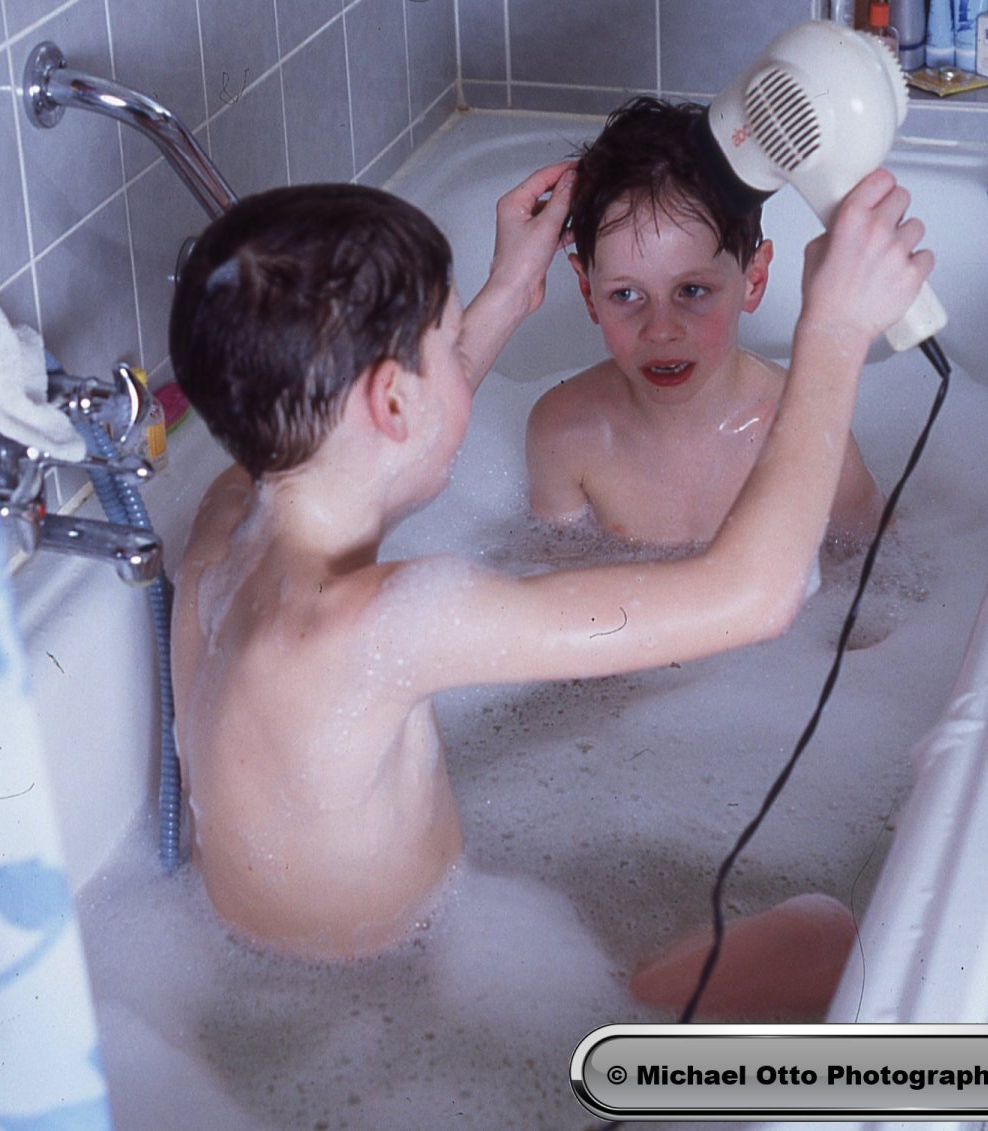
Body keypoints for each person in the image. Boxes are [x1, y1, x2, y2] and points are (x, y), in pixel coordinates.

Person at [167, 162, 931, 1016]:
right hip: (423, 1018)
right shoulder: (382, 628)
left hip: (285, 993)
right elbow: (756, 595)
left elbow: (353, 449)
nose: (463, 365)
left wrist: (509, 290)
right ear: (392, 404)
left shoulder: (225, 532)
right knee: (834, 942)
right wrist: (835, 327)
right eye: (448, 348)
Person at [526, 97, 885, 548]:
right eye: (627, 295)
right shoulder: (564, 434)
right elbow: (555, 579)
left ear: (754, 280)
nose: (660, 331)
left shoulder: (807, 434)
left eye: (692, 291)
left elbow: (875, 566)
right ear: (588, 292)